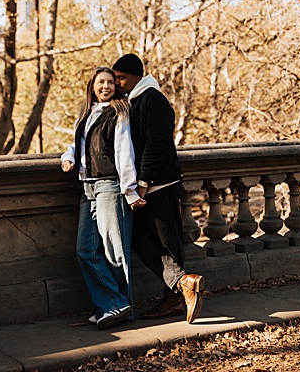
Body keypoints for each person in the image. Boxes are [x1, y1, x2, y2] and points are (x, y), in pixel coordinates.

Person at [110, 54, 206, 324]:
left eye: (121, 78)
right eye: (115, 78)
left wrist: (143, 183)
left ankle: (175, 295)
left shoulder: (153, 99)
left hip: (159, 184)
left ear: (137, 75)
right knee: (140, 238)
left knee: (168, 242)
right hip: (149, 185)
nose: (117, 83)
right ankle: (181, 284)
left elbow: (157, 144)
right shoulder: (135, 100)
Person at [60, 66, 142, 328]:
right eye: (100, 82)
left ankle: (120, 306)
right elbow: (79, 143)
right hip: (88, 187)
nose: (105, 86)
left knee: (115, 250)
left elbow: (123, 151)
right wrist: (68, 157)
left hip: (110, 185)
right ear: (92, 86)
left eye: (110, 82)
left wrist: (130, 190)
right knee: (86, 249)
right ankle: (111, 303)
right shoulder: (86, 113)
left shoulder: (119, 112)